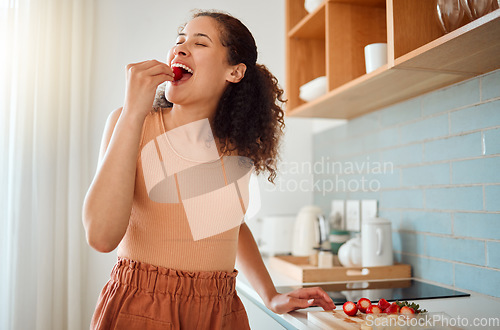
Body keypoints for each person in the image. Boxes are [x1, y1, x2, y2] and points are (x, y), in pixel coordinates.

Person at [83, 10, 335, 330]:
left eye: (200, 43)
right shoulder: (132, 122)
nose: (181, 48)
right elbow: (101, 237)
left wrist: (270, 295)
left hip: (220, 312)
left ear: (234, 71)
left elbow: (229, 223)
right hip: (145, 309)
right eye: (179, 40)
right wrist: (133, 110)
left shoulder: (235, 147)